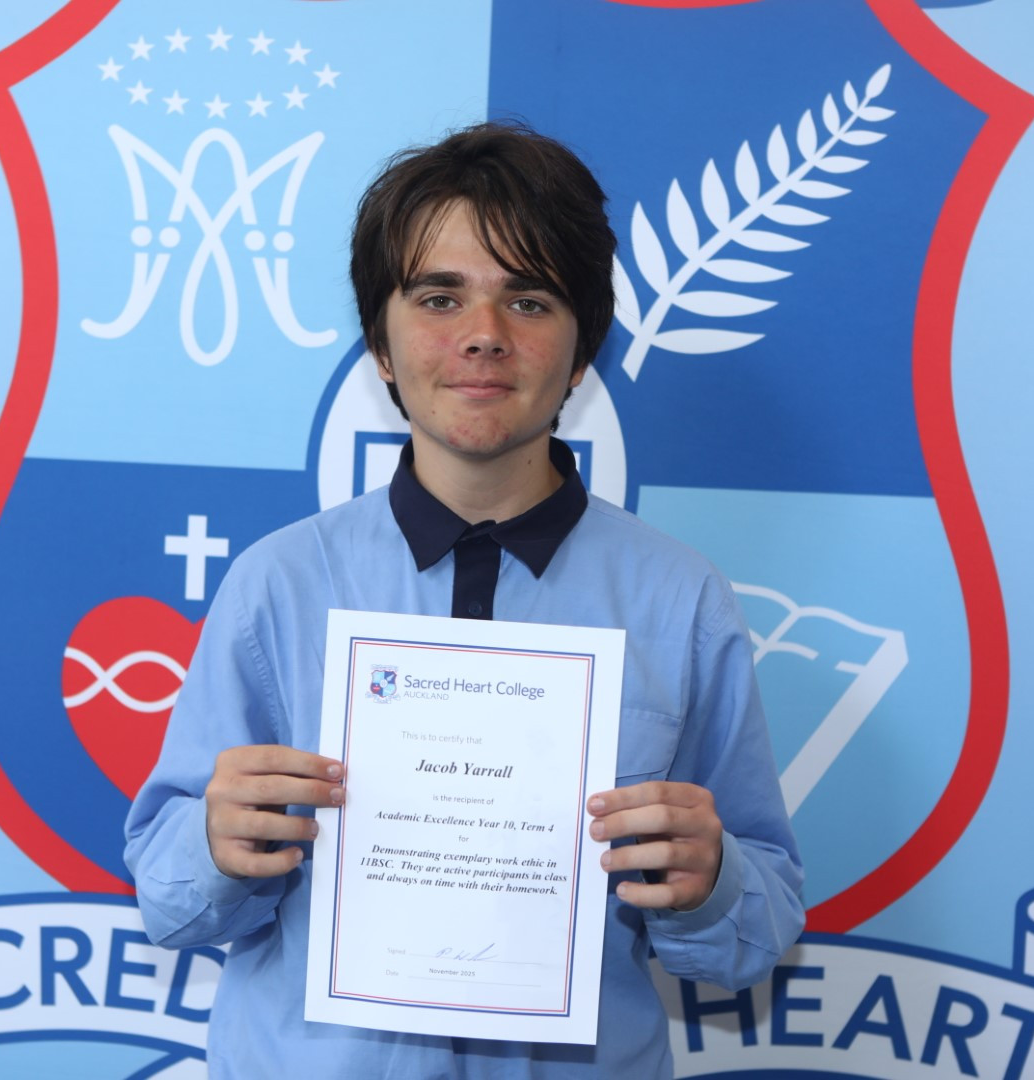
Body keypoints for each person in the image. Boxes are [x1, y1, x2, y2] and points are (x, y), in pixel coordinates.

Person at [125, 122, 804, 1078]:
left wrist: (712, 878)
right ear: (382, 346)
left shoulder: (682, 603)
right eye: (439, 297)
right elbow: (169, 904)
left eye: (528, 299)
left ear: (582, 353)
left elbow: (755, 934)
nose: (484, 333)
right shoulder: (275, 587)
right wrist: (214, 843)